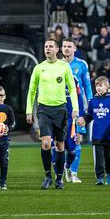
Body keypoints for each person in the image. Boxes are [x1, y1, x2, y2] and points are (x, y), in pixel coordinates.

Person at [26, 39, 79, 189]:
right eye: (45, 46)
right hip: (44, 110)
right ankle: (48, 176)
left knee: (60, 145)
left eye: (50, 46)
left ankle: (59, 178)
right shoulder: (38, 68)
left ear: (57, 50)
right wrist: (29, 110)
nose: (47, 48)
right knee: (46, 143)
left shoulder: (64, 67)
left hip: (60, 110)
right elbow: (31, 91)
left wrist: (75, 108)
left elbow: (73, 89)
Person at [77, 76, 110, 185]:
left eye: (100, 85)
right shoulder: (93, 101)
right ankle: (100, 177)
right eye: (96, 85)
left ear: (107, 87)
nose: (98, 88)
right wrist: (84, 121)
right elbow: (89, 116)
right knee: (98, 158)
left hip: (109, 134)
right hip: (97, 134)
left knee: (109, 157)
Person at [60, 38, 91, 181]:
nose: (66, 48)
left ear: (75, 48)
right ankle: (61, 169)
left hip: (77, 108)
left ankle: (73, 172)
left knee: (77, 139)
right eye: (64, 46)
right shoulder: (57, 65)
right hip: (59, 107)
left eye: (69, 46)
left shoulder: (81, 64)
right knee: (59, 141)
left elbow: (87, 85)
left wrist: (90, 103)